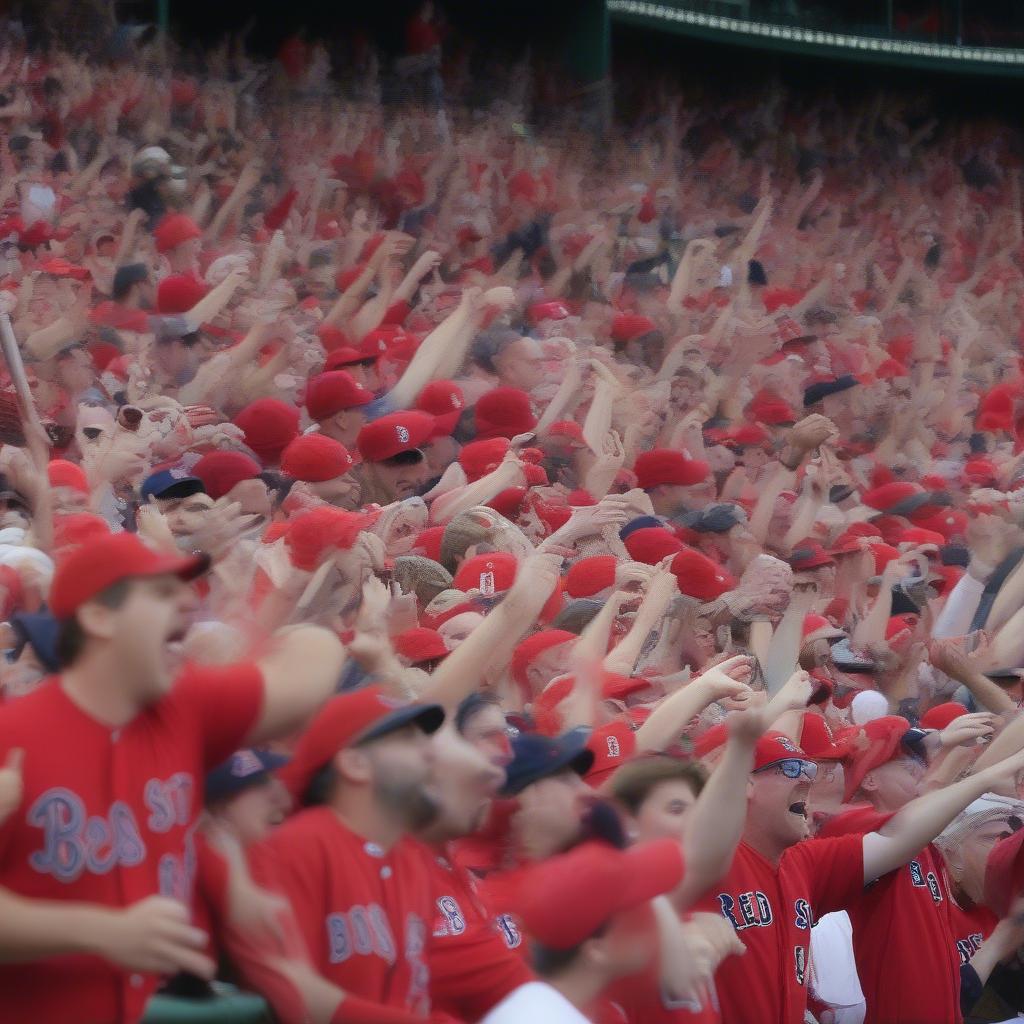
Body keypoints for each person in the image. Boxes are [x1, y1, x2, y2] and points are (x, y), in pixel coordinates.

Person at [0, 532, 347, 1023]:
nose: (188, 600)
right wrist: (99, 931)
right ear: (99, 616)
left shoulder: (187, 705)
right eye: (162, 593)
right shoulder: (10, 738)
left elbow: (308, 678)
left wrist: (297, 633)